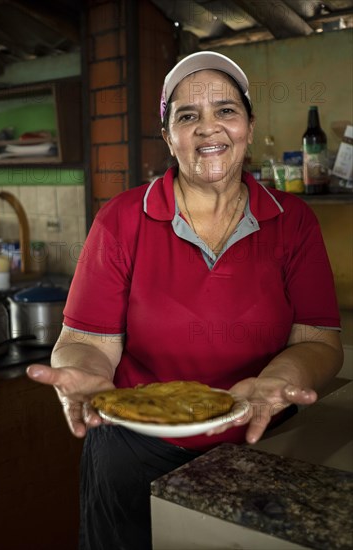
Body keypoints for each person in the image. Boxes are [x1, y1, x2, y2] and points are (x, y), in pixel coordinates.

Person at [27, 51, 343, 550]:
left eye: (226, 110)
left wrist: (282, 380)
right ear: (169, 135)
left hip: (259, 445)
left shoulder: (293, 220)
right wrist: (85, 368)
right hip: (134, 448)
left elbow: (319, 341)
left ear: (248, 124)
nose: (208, 128)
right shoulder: (122, 219)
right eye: (187, 116)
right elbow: (86, 340)